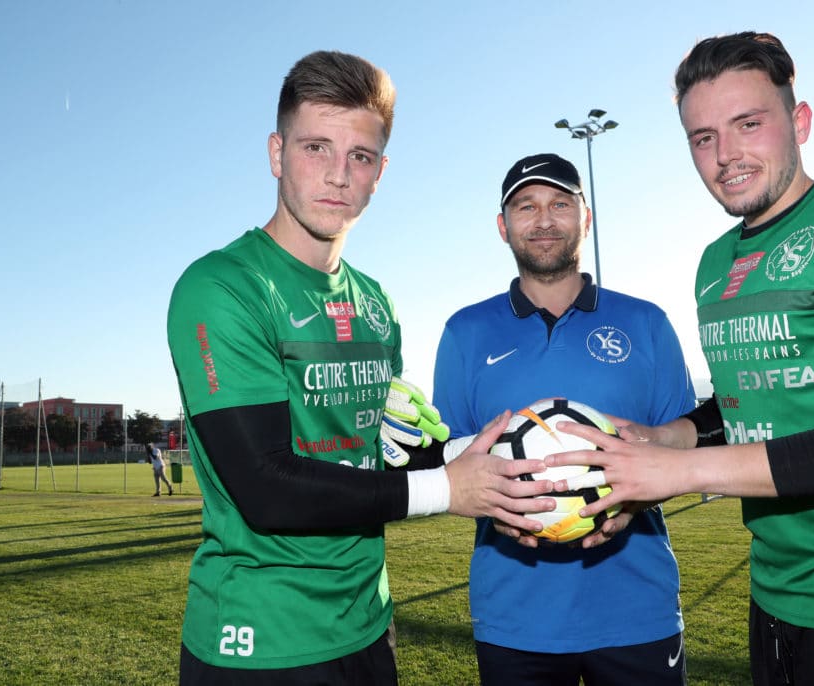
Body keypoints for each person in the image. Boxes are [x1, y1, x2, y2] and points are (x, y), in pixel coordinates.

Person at [546, 32, 814, 686]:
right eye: (703, 137)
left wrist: (679, 471)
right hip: (776, 601)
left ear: (799, 121)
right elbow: (751, 396)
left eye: (748, 124)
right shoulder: (713, 264)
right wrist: (670, 435)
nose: (726, 156)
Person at [166, 50, 555, 685]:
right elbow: (266, 488)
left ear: (380, 173)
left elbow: (367, 467)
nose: (339, 175)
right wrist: (446, 489)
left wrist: (438, 453)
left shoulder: (374, 302)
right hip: (259, 644)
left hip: (368, 629)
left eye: (361, 157)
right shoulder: (221, 287)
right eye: (316, 147)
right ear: (276, 153)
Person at [432, 153, 697, 685]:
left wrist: (641, 490)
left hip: (636, 611)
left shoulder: (646, 323)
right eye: (526, 206)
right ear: (503, 226)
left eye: (560, 203)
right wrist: (492, 502)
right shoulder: (466, 332)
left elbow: (686, 445)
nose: (545, 219)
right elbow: (450, 461)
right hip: (513, 618)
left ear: (586, 218)